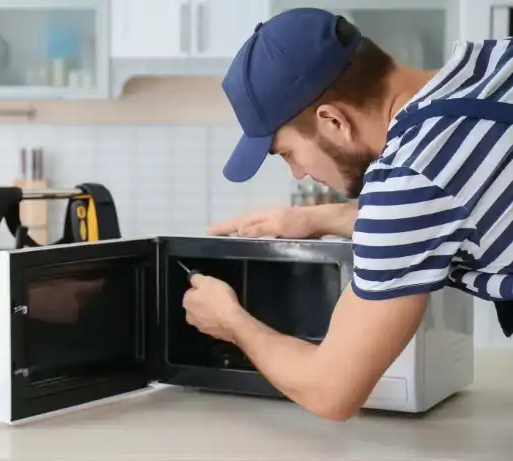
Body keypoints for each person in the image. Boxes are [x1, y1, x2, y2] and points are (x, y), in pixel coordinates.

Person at [181, 7, 513, 421]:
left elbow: (330, 390)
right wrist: (318, 219)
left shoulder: (407, 179)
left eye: (287, 153)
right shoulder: (493, 61)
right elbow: (448, 200)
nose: (298, 172)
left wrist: (230, 321)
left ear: (333, 121)